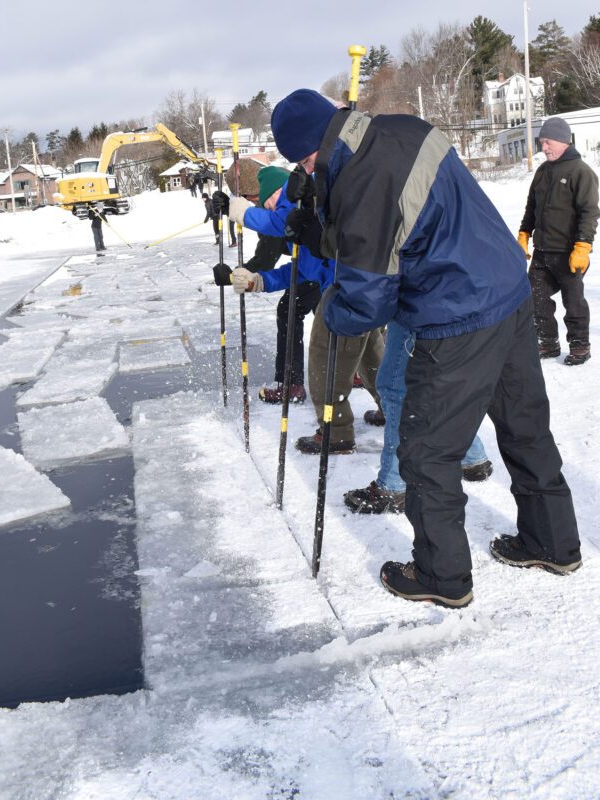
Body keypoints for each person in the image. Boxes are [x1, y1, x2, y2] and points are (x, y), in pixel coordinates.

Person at [272, 88, 581, 608]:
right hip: (507, 289)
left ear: (308, 153)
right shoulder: (400, 128)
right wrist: (325, 229)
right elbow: (397, 227)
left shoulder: (360, 182)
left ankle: (442, 575)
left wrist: (331, 313)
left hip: (456, 314)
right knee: (524, 426)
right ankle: (552, 542)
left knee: (425, 452)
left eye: (303, 163)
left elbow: (367, 299)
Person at [229, 167, 384, 445]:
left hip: (345, 294)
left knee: (324, 366)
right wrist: (258, 281)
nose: (268, 208)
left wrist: (246, 215)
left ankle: (335, 434)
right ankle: (394, 411)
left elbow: (277, 222)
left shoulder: (295, 201)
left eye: (266, 203)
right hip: (360, 290)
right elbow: (302, 269)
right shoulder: (300, 211)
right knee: (372, 359)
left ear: (278, 192)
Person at [344, 319, 493, 514]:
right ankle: (472, 456)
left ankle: (393, 485)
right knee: (438, 380)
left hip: (416, 305)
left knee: (394, 388)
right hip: (455, 306)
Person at [518, 117, 599, 366]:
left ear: (563, 141)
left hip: (569, 252)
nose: (544, 147)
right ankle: (548, 342)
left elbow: (589, 212)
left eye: (547, 142)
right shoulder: (543, 172)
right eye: (542, 142)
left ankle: (579, 345)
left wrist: (583, 246)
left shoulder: (581, 172)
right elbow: (531, 208)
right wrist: (524, 234)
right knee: (535, 297)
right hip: (542, 252)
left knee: (573, 302)